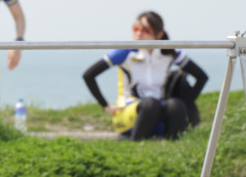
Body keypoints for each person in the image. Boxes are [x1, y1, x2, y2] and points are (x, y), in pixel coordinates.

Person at [82, 11, 208, 140]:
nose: (138, 33)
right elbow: (88, 75)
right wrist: (106, 106)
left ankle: (173, 147)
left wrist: (187, 103)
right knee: (150, 104)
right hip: (129, 113)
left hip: (159, 111)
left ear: (159, 35)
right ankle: (135, 145)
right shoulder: (125, 52)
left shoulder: (170, 53)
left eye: (146, 30)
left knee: (175, 105)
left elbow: (202, 77)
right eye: (136, 28)